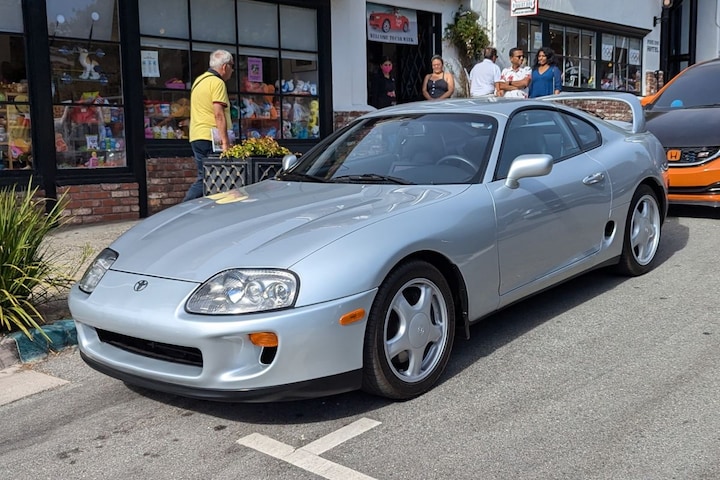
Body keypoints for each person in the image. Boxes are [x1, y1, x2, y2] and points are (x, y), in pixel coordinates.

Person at [183, 49, 234, 201]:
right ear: (225, 67)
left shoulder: (199, 81)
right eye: (232, 66)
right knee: (220, 176)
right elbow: (218, 114)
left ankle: (194, 209)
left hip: (197, 135)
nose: (232, 70)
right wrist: (225, 142)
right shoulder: (217, 83)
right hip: (212, 138)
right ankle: (186, 208)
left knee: (205, 176)